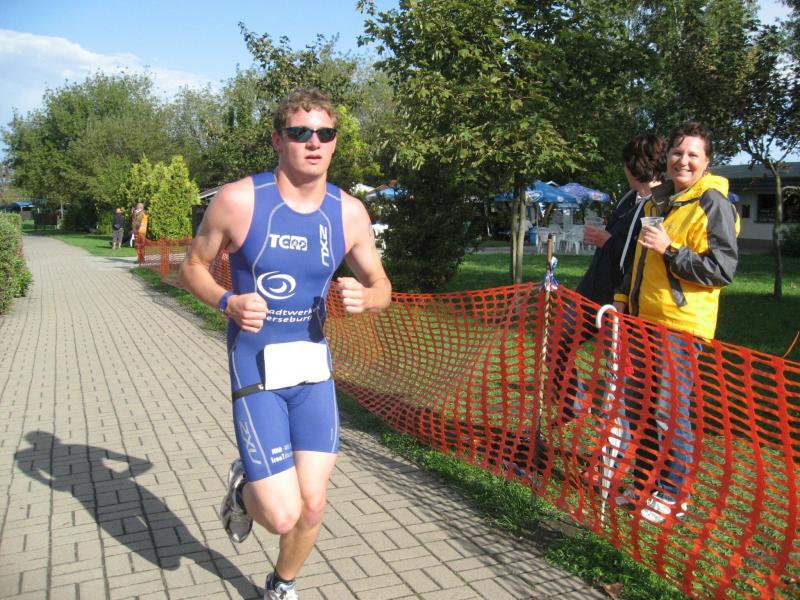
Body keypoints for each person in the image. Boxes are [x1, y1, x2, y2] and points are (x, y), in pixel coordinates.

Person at [179, 88, 391, 600]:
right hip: (257, 368)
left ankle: (282, 584)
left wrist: (369, 298)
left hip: (313, 371)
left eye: (325, 133)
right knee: (280, 513)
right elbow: (192, 267)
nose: (313, 143)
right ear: (278, 140)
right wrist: (227, 301)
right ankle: (245, 490)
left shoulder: (349, 212)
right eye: (300, 132)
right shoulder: (240, 200)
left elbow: (382, 286)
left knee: (312, 504)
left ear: (335, 142)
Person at [612, 121, 739, 523]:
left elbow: (721, 269)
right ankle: (643, 482)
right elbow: (639, 262)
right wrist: (622, 301)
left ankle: (673, 492)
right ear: (667, 158)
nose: (683, 161)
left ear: (707, 162)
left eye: (692, 155)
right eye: (677, 152)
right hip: (641, 323)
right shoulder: (658, 202)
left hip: (680, 328)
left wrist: (670, 250)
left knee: (668, 411)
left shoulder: (713, 203)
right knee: (639, 409)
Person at [577, 133, 667, 305]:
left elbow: (642, 261)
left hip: (616, 303)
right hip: (593, 294)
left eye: (626, 164)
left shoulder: (657, 207)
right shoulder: (630, 198)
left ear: (635, 166)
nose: (624, 170)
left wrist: (607, 242)